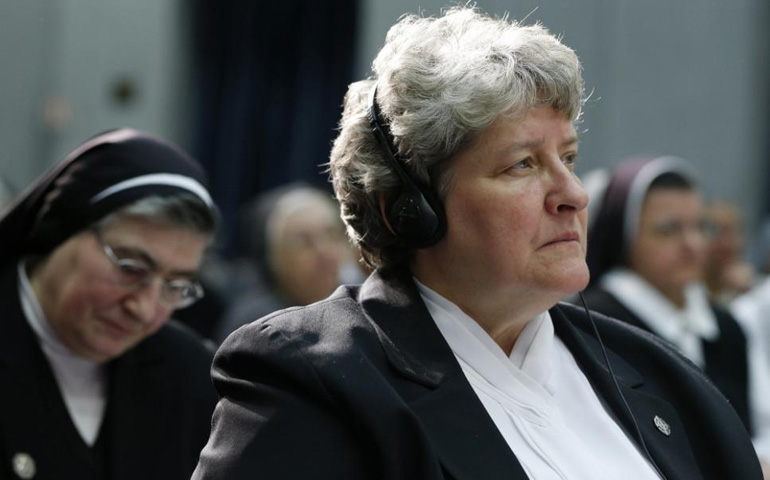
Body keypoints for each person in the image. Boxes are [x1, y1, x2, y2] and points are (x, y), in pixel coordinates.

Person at [193, 7, 762, 479]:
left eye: (567, 158)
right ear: (411, 211)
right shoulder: (316, 378)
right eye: (521, 165)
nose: (572, 194)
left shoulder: (656, 370)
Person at [0, 128, 219, 480]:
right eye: (130, 267)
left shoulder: (188, 373)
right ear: (62, 231)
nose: (145, 309)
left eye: (176, 285)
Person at [582, 155, 770, 475]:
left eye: (700, 227)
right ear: (624, 234)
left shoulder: (724, 326)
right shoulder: (594, 322)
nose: (693, 244)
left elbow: (754, 424)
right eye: (669, 230)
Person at [214, 183, 360, 343]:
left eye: (332, 234)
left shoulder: (360, 307)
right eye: (303, 241)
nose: (324, 251)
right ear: (274, 259)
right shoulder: (257, 327)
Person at [703, 198, 755, 305]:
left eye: (733, 232)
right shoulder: (689, 288)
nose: (726, 243)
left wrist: (749, 293)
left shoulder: (756, 288)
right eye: (718, 232)